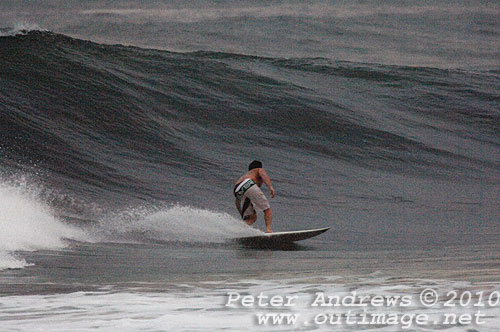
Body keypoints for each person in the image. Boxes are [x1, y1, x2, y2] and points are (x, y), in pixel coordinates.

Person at [233, 160, 275, 233]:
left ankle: (238, 231)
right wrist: (270, 187)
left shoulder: (245, 176)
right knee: (267, 210)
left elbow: (237, 201)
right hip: (249, 184)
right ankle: (269, 230)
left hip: (237, 189)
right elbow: (263, 174)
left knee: (251, 218)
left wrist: (242, 214)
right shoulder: (258, 169)